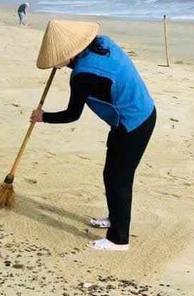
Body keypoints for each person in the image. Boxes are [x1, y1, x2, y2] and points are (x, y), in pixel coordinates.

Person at [30, 21, 156, 251]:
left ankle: (119, 239)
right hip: (133, 114)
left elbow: (72, 115)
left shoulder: (82, 76)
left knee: (119, 179)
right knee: (111, 173)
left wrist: (43, 116)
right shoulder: (102, 42)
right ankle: (114, 218)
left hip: (135, 122)